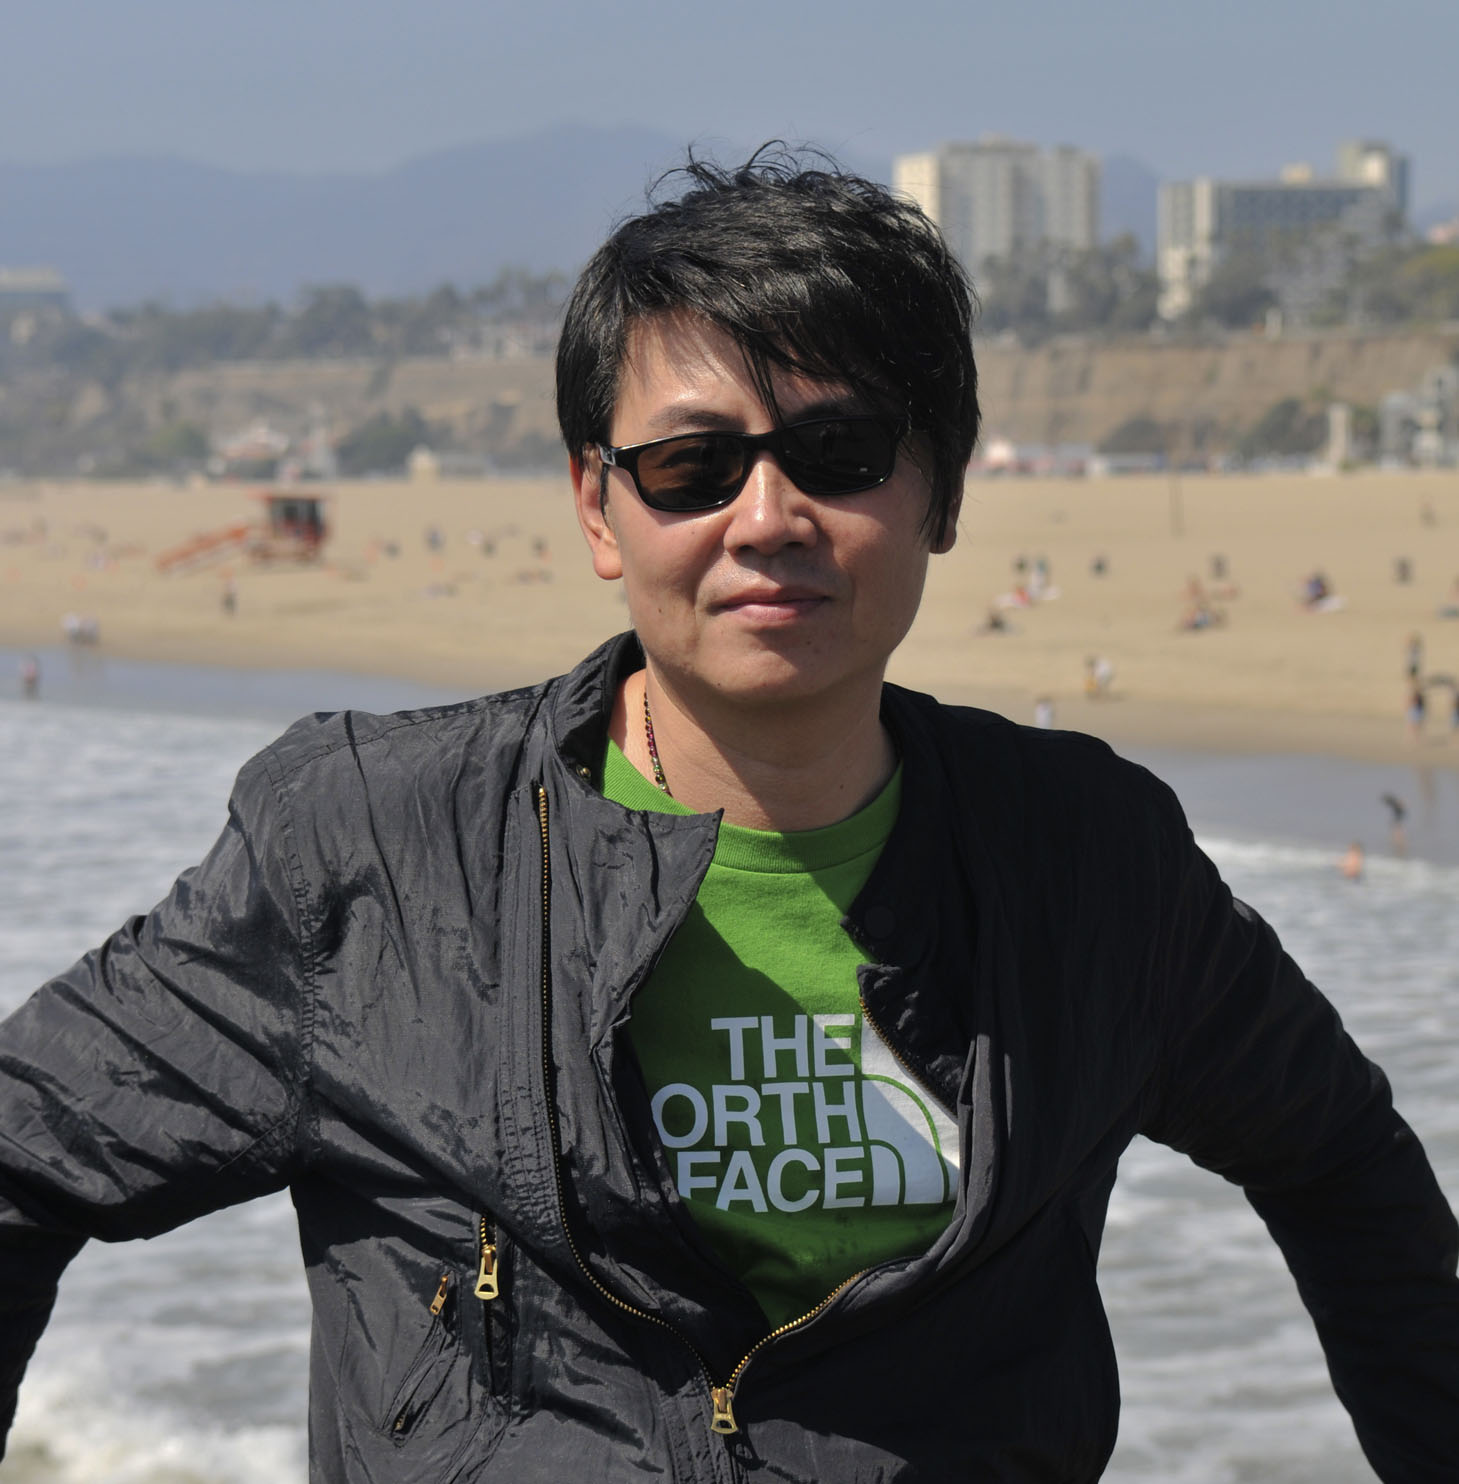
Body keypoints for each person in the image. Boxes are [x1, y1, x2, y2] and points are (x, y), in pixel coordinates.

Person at [2, 150, 1457, 1484]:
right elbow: (26, 1145)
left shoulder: (1086, 865)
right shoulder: (377, 853)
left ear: (941, 490)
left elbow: (1340, 1162)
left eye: (840, 451)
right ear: (599, 507)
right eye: (692, 468)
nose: (767, 518)